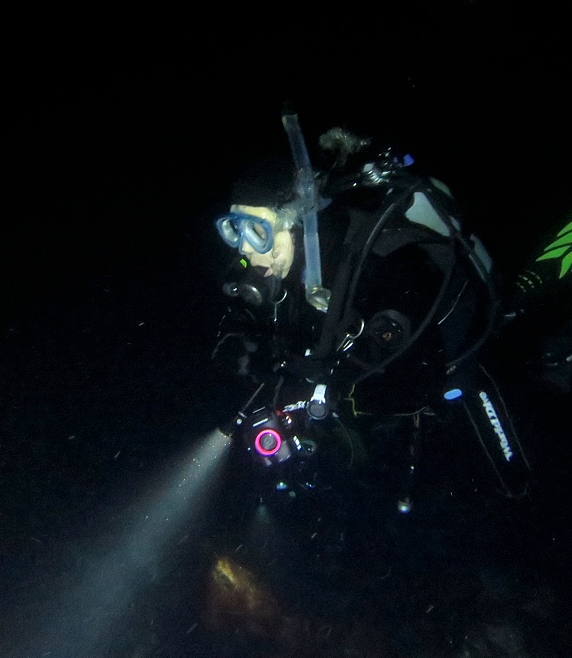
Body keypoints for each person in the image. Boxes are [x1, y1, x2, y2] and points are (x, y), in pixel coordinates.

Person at [210, 106, 532, 513]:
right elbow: (263, 321)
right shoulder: (288, 264)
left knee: (475, 410)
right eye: (233, 229)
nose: (244, 250)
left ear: (297, 224)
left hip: (444, 373)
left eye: (258, 231)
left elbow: (412, 374)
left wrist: (333, 379)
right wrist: (237, 338)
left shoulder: (378, 268)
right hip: (358, 401)